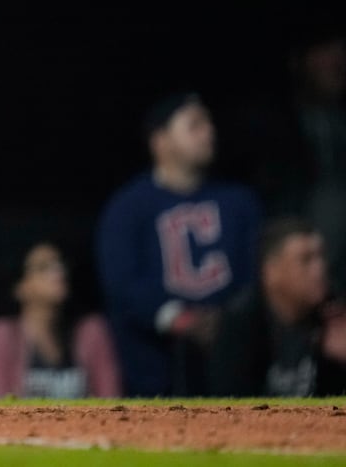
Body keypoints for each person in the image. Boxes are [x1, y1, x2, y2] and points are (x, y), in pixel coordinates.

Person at [95, 92, 263, 396]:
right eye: (194, 125)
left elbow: (254, 273)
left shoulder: (239, 202)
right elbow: (122, 282)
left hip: (232, 363)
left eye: (208, 123)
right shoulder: (128, 207)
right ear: (161, 141)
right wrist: (177, 318)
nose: (209, 132)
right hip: (156, 370)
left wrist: (228, 321)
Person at [207, 217, 346, 396]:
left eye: (321, 257)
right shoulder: (240, 323)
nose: (320, 269)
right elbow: (229, 406)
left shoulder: (333, 316)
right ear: (271, 271)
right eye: (306, 260)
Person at [254, 27, 346, 287]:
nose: (339, 60)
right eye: (326, 51)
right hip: (298, 280)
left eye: (342, 50)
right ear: (299, 62)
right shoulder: (272, 125)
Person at [0, 242, 123, 398]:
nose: (58, 272)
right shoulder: (3, 335)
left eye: (60, 265)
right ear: (20, 288)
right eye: (43, 268)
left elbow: (111, 400)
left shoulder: (91, 331)